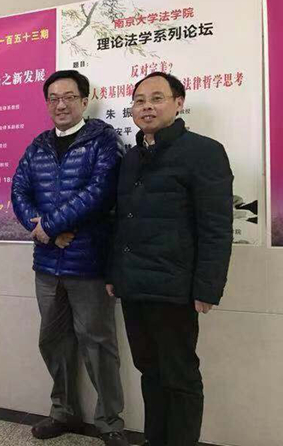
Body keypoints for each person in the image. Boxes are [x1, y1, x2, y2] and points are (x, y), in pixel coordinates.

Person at [106, 72, 233, 446]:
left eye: (156, 98)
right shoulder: (132, 157)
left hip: (174, 287)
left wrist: (207, 287)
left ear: (178, 103)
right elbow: (121, 221)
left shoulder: (204, 152)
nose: (147, 106)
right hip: (134, 285)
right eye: (139, 100)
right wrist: (114, 273)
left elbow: (216, 227)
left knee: (180, 376)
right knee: (149, 370)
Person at [11, 70, 129, 446]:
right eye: (53, 98)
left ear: (84, 100)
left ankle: (109, 422)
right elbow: (19, 190)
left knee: (98, 343)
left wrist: (50, 225)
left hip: (88, 262)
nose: (60, 104)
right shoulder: (38, 145)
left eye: (69, 97)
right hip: (47, 264)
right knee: (53, 341)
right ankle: (63, 411)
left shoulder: (104, 140)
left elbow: (100, 192)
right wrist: (43, 229)